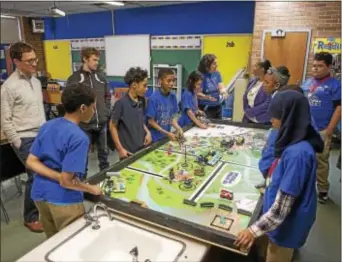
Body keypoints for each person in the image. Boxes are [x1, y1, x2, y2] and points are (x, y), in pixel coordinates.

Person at [235, 90, 324, 262]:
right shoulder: (295, 140)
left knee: (276, 254)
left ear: (287, 117)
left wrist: (251, 231)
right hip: (280, 222)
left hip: (286, 228)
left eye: (275, 116)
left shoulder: (297, 154)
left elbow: (280, 211)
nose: (271, 120)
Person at [26, 83, 103, 239]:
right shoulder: (79, 138)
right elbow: (67, 181)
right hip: (63, 200)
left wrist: (58, 176)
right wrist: (90, 189)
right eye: (93, 107)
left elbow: (31, 162)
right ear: (83, 108)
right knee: (72, 243)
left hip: (39, 195)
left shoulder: (47, 125)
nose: (94, 111)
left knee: (54, 241)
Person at [1, 42, 45, 232]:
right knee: (35, 175)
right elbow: (5, 118)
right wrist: (17, 142)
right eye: (30, 61)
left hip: (41, 134)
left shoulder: (35, 81)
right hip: (24, 138)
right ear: (17, 61)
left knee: (46, 172)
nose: (35, 63)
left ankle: (42, 206)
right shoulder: (9, 87)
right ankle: (31, 217)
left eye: (35, 59)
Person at [301, 52, 341, 204]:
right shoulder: (306, 83)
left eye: (320, 66)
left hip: (322, 130)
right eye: (314, 65)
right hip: (304, 129)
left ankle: (323, 189)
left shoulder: (335, 85)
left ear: (329, 67)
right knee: (303, 157)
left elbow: (339, 109)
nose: (315, 69)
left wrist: (329, 131)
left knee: (321, 162)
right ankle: (303, 186)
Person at [67, 47, 111, 173]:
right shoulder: (74, 79)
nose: (97, 62)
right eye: (94, 60)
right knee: (82, 159)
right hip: (84, 126)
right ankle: (83, 186)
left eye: (98, 60)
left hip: (101, 124)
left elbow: (108, 96)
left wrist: (106, 113)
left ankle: (106, 181)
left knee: (104, 158)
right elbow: (70, 101)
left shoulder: (101, 78)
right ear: (85, 59)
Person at [109, 67, 152, 159]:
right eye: (144, 85)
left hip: (142, 147)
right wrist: (120, 149)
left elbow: (140, 120)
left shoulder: (143, 100)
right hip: (128, 153)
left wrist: (148, 132)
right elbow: (112, 126)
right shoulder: (120, 104)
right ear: (134, 85)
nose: (147, 89)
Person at [146, 68, 183, 142]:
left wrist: (178, 128)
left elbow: (173, 117)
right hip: (155, 138)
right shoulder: (153, 98)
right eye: (169, 81)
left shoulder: (173, 96)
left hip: (166, 137)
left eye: (173, 81)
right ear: (160, 81)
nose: (172, 83)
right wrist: (166, 133)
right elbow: (151, 122)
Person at [197, 54, 228, 119]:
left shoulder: (217, 73)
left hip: (217, 106)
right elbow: (197, 94)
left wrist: (224, 92)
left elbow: (221, 86)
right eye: (214, 63)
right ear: (207, 65)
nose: (217, 65)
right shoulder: (200, 75)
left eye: (216, 63)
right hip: (206, 107)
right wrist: (207, 97)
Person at [243, 60, 272, 124]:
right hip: (248, 118)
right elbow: (245, 96)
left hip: (261, 120)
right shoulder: (253, 81)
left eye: (256, 66)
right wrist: (247, 110)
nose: (253, 68)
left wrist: (252, 112)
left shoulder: (268, 84)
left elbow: (267, 103)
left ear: (262, 69)